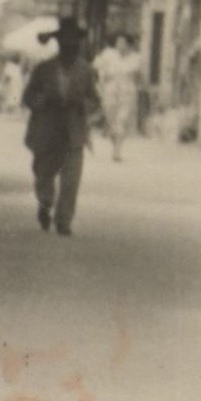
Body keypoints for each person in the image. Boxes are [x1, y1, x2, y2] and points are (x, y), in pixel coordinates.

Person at [23, 15, 102, 236]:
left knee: (71, 179)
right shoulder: (43, 69)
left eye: (75, 44)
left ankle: (64, 220)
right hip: (47, 129)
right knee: (44, 175)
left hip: (74, 130)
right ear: (59, 44)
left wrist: (82, 104)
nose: (71, 47)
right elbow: (28, 97)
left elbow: (95, 100)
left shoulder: (86, 71)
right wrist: (44, 102)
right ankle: (45, 204)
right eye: (67, 43)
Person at [93, 31, 141, 162]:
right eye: (118, 42)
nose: (119, 45)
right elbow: (96, 65)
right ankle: (115, 143)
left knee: (122, 120)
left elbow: (136, 74)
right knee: (111, 120)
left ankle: (117, 151)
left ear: (129, 44)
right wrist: (102, 76)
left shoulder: (135, 58)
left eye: (123, 42)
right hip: (110, 90)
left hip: (126, 90)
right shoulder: (108, 54)